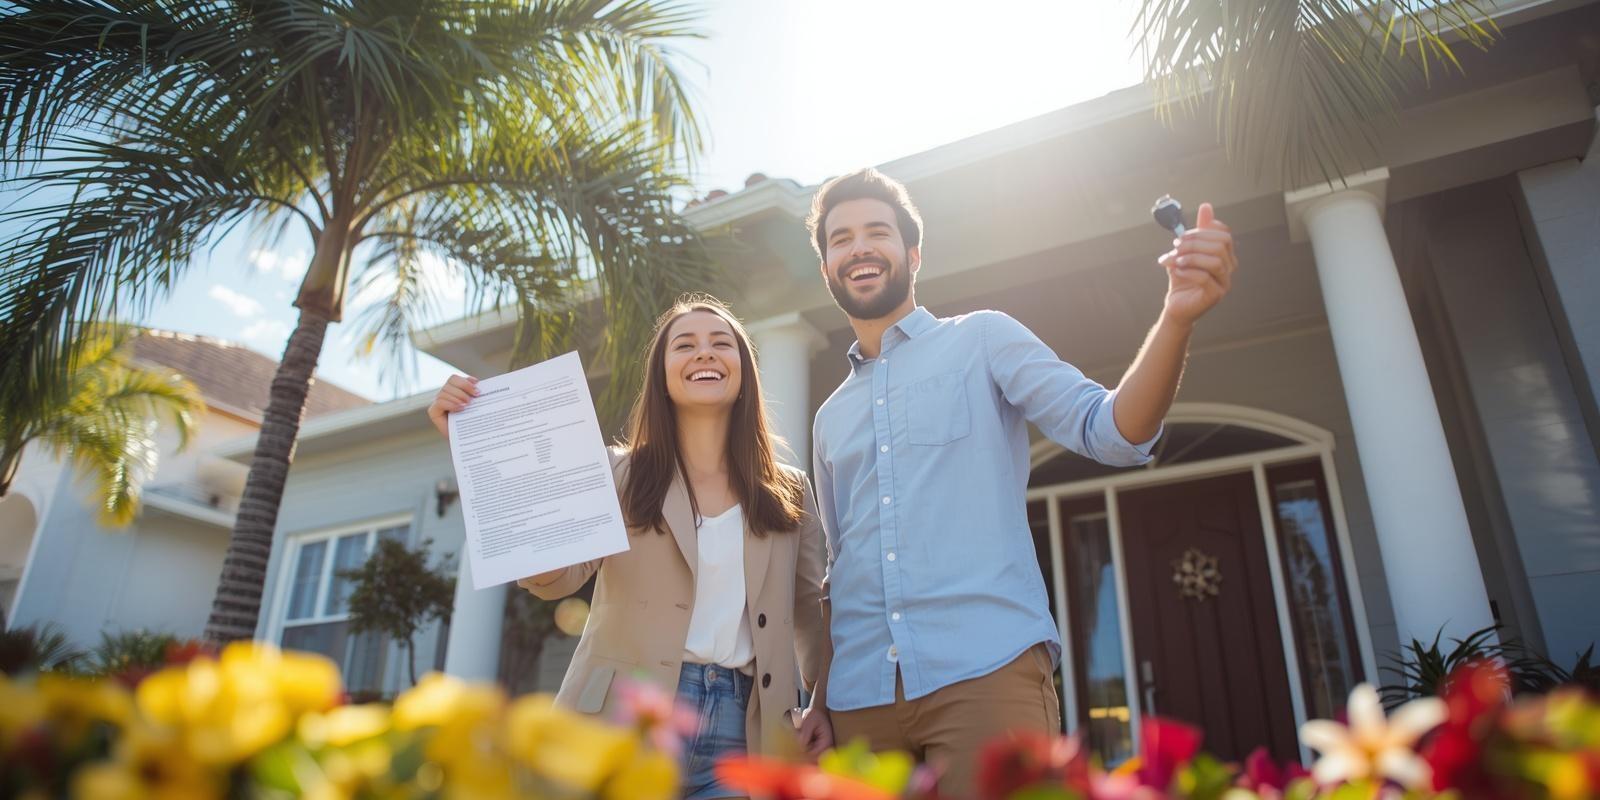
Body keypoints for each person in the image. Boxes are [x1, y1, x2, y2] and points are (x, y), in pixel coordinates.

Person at [795, 168, 1238, 795]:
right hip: (858, 700)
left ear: (913, 254)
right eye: (840, 239)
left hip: (985, 674)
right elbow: (839, 573)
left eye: (876, 232)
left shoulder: (983, 339)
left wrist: (1177, 318)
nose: (858, 247)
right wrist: (819, 698)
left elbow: (1111, 429)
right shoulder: (829, 417)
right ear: (827, 268)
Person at [427, 295, 830, 800]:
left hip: (747, 728)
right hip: (622, 716)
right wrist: (476, 444)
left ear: (744, 370)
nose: (704, 353)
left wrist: (823, 703)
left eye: (721, 343)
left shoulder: (788, 490)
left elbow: (811, 613)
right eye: (684, 345)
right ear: (662, 376)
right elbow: (558, 579)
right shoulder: (615, 473)